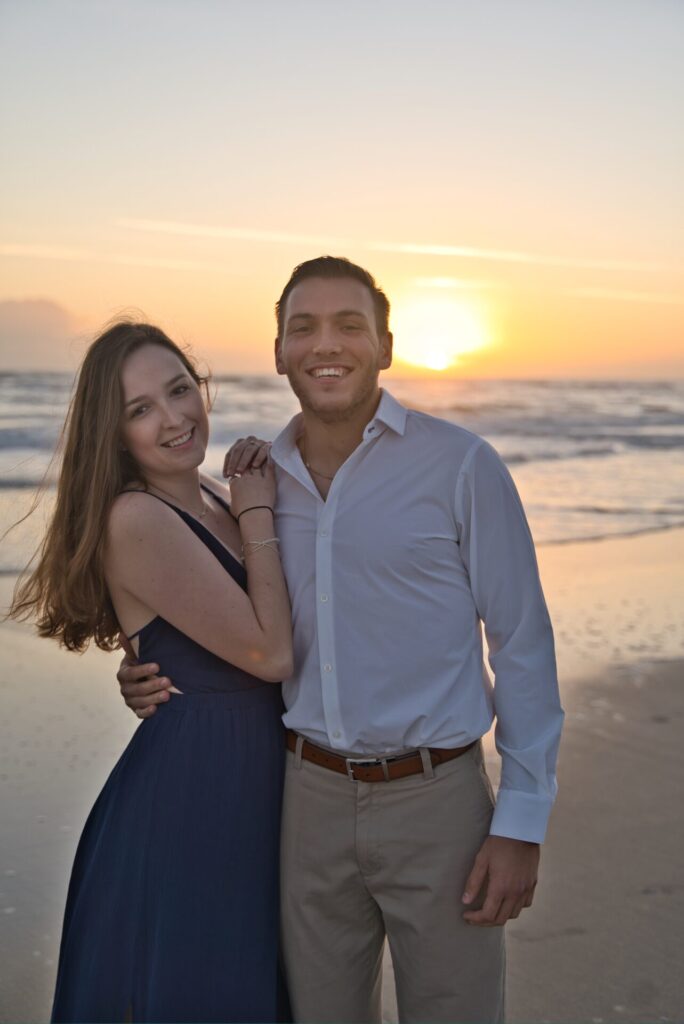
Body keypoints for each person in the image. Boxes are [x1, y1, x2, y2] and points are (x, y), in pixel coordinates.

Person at [120, 258, 564, 1024]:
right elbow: (212, 613)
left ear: (386, 346)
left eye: (349, 325)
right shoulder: (256, 487)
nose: (327, 344)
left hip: (439, 803)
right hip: (303, 803)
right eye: (305, 328)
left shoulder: (460, 466)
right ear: (279, 353)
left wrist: (521, 821)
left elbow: (521, 640)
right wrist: (142, 669)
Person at [10, 321, 293, 1023]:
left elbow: (204, 640)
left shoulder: (203, 491)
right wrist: (260, 510)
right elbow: (271, 653)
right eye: (140, 410)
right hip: (192, 806)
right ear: (114, 432)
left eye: (178, 390)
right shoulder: (135, 517)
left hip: (242, 788)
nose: (173, 418)